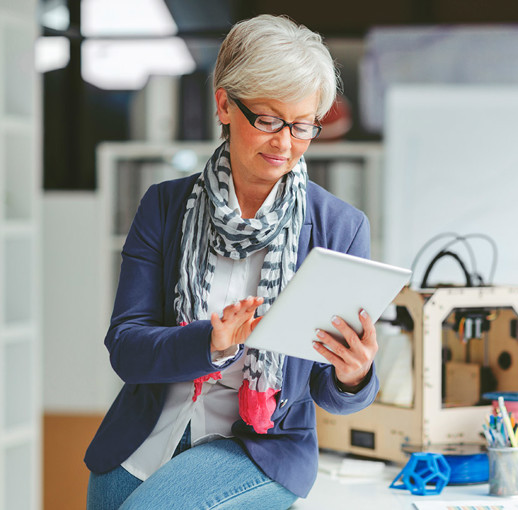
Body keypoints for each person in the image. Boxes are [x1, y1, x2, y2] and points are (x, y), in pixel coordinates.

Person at [84, 14, 379, 509]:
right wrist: (211, 343)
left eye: (303, 125)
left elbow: (331, 393)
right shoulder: (164, 206)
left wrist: (355, 375)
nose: (285, 143)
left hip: (258, 448)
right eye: (267, 120)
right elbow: (126, 348)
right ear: (224, 103)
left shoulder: (340, 228)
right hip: (145, 436)